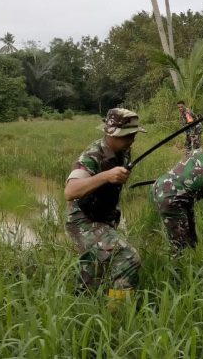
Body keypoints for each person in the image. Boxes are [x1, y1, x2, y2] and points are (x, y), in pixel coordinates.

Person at [64, 108, 145, 303]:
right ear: (110, 134)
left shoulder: (124, 150)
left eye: (133, 135)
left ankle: (81, 305)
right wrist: (106, 176)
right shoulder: (92, 156)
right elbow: (70, 191)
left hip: (104, 216)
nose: (131, 140)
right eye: (126, 136)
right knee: (128, 258)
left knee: (94, 270)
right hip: (83, 220)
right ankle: (116, 312)